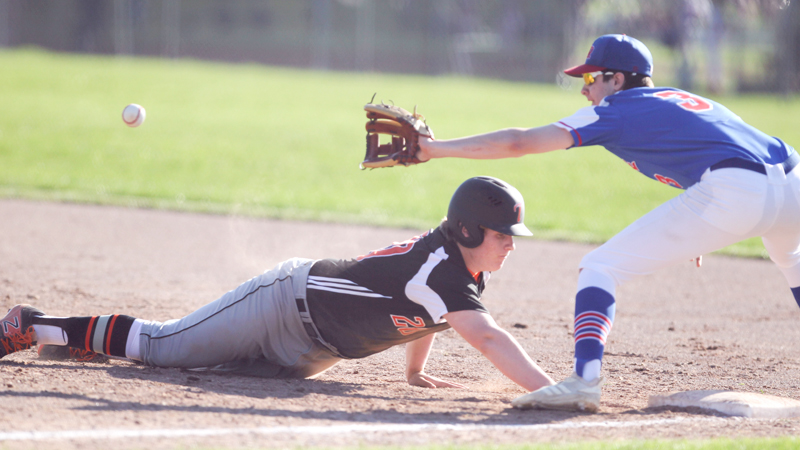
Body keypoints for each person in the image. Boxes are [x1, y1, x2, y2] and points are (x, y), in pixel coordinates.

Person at [417, 34, 800, 412]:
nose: (585, 90)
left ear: (617, 80)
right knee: (793, 265)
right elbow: (726, 150)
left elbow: (520, 142)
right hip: (791, 180)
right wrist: (700, 227)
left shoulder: (617, 107)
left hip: (735, 191)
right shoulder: (687, 101)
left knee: (600, 267)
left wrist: (434, 149)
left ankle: (584, 383)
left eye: (590, 78)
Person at [0, 176, 555, 392]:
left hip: (313, 353)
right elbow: (485, 338)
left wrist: (415, 372)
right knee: (162, 348)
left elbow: (434, 311)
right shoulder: (443, 269)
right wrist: (552, 390)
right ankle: (34, 325)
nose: (510, 242)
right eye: (502, 232)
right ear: (465, 228)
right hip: (283, 304)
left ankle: (84, 342)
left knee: (210, 373)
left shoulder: (460, 271)